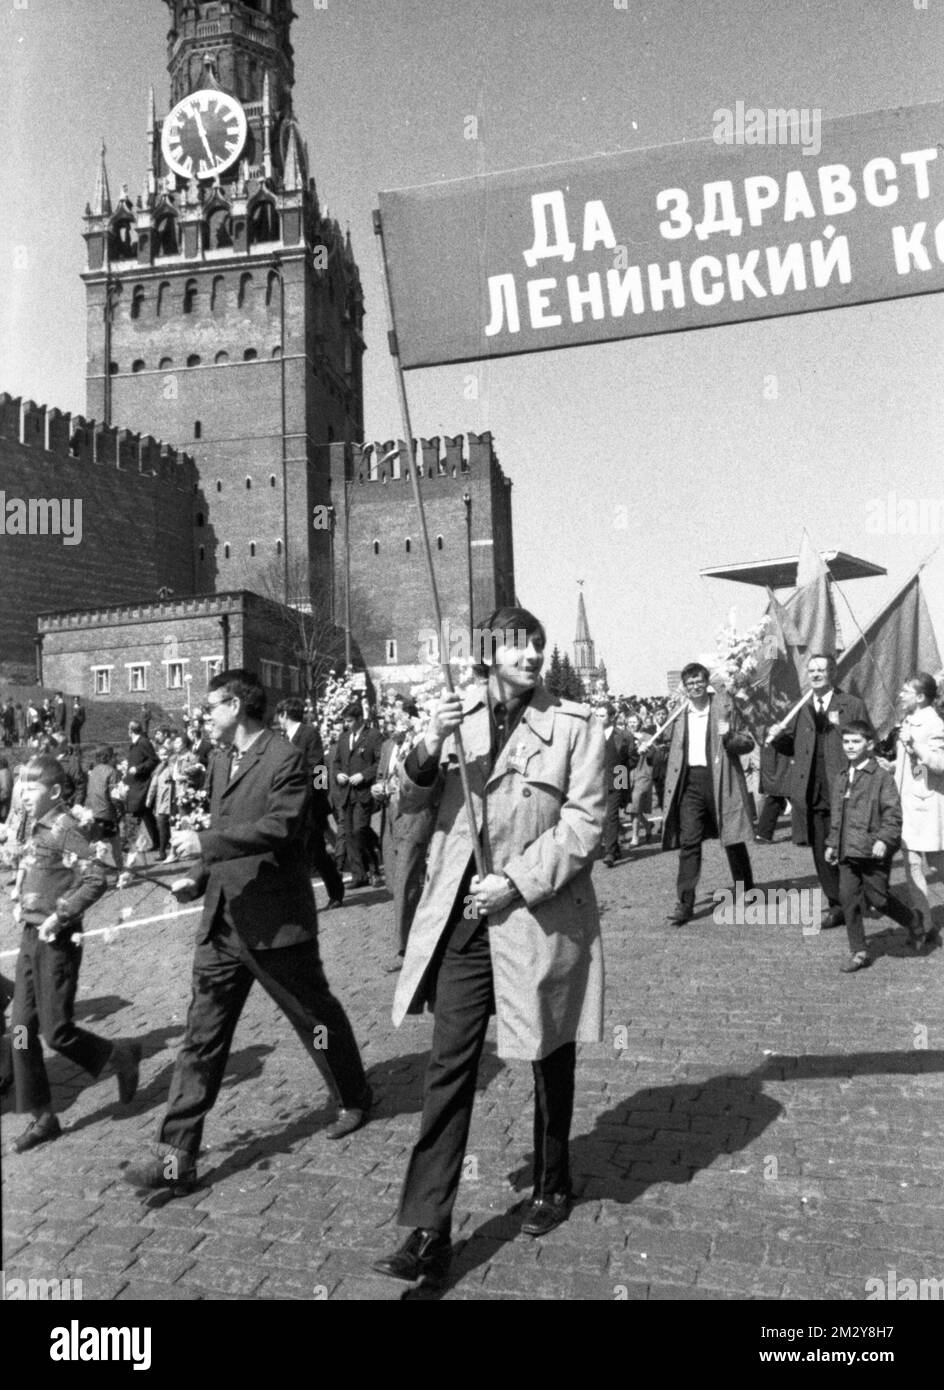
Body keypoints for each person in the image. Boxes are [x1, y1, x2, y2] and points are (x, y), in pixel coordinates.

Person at [373, 607, 605, 1286]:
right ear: (489, 655)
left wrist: (516, 881)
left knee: (544, 1049)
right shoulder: (455, 716)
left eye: (538, 646)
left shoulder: (575, 726)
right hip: (464, 922)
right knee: (449, 1067)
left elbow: (586, 823)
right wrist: (425, 747)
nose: (533, 656)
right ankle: (427, 1229)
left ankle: (553, 1178)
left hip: (536, 913)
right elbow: (410, 806)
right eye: (519, 647)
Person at [125, 669, 371, 1193]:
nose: (205, 715)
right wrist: (197, 877)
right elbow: (227, 833)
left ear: (236, 705)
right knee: (201, 1038)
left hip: (275, 925)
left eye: (212, 706)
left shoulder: (286, 759)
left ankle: (353, 1094)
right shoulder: (220, 760)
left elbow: (280, 830)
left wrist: (206, 845)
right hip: (222, 922)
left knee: (315, 1018)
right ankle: (176, 1157)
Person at [8, 756, 141, 1153]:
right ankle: (43, 1117)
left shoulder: (65, 826)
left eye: (30, 789)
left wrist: (62, 914)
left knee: (57, 1031)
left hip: (58, 940)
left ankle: (120, 1055)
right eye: (21, 788)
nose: (23, 795)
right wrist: (22, 898)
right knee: (20, 1032)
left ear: (52, 792)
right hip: (31, 937)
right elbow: (38, 868)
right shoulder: (37, 824)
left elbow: (96, 876)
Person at [767, 654, 870, 928]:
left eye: (821, 670)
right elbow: (793, 748)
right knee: (821, 849)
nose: (815, 674)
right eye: (811, 670)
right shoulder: (800, 708)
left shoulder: (851, 705)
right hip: (811, 791)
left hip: (843, 789)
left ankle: (858, 896)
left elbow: (867, 743)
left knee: (848, 846)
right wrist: (778, 736)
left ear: (832, 673)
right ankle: (836, 904)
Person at [661, 663, 755, 926]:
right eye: (689, 684)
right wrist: (645, 749)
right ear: (684, 687)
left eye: (699, 681)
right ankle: (685, 903)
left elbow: (747, 742)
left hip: (719, 779)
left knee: (732, 837)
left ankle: (746, 886)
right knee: (689, 842)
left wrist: (730, 736)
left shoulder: (724, 707)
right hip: (690, 783)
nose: (695, 687)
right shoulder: (679, 713)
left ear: (706, 682)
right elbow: (665, 745)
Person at [825, 720, 917, 972]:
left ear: (869, 745)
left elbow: (893, 814)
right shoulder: (842, 776)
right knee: (848, 899)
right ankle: (859, 951)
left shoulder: (881, 778)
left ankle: (913, 921)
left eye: (856, 742)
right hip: (846, 851)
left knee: (878, 898)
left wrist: (883, 840)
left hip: (872, 850)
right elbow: (837, 815)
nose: (850, 747)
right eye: (846, 742)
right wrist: (833, 842)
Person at [275, 697, 345, 909]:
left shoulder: (308, 734)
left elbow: (319, 768)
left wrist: (318, 796)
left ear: (285, 715)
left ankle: (336, 891)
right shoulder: (284, 738)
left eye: (279, 716)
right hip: (291, 806)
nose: (278, 720)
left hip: (310, 805)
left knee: (316, 852)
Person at [894, 672, 944, 947]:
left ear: (921, 697)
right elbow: (916, 770)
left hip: (928, 807)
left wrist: (915, 747)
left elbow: (939, 764)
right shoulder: (909, 720)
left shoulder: (934, 724)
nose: (900, 695)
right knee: (911, 866)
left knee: (938, 865)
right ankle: (924, 923)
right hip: (907, 806)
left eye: (906, 691)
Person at [330, 699, 383, 889]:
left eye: (350, 720)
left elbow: (380, 763)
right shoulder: (344, 738)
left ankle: (374, 868)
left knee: (359, 831)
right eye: (345, 721)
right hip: (346, 793)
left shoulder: (374, 736)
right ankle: (359, 874)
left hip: (363, 793)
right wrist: (338, 775)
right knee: (350, 836)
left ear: (360, 718)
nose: (347, 724)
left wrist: (364, 775)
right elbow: (335, 763)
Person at [596, 704, 629, 867]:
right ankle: (615, 847)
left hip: (616, 778)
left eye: (601, 716)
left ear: (611, 717)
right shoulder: (591, 735)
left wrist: (622, 786)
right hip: (596, 781)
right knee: (600, 817)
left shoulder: (622, 736)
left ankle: (609, 853)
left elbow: (629, 759)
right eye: (596, 715)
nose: (597, 719)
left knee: (612, 815)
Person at [83, 745, 124, 872]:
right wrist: (121, 809)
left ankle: (92, 871)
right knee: (115, 843)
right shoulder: (112, 772)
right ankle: (120, 870)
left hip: (91, 812)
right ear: (108, 757)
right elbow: (115, 796)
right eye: (113, 756)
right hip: (107, 812)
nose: (115, 759)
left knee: (95, 844)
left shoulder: (94, 771)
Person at [123, 720, 158, 858]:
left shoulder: (142, 742)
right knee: (145, 814)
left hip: (142, 783)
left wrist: (138, 769)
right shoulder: (135, 743)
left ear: (130, 730)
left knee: (136, 812)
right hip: (136, 782)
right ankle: (159, 841)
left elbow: (154, 760)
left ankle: (128, 843)